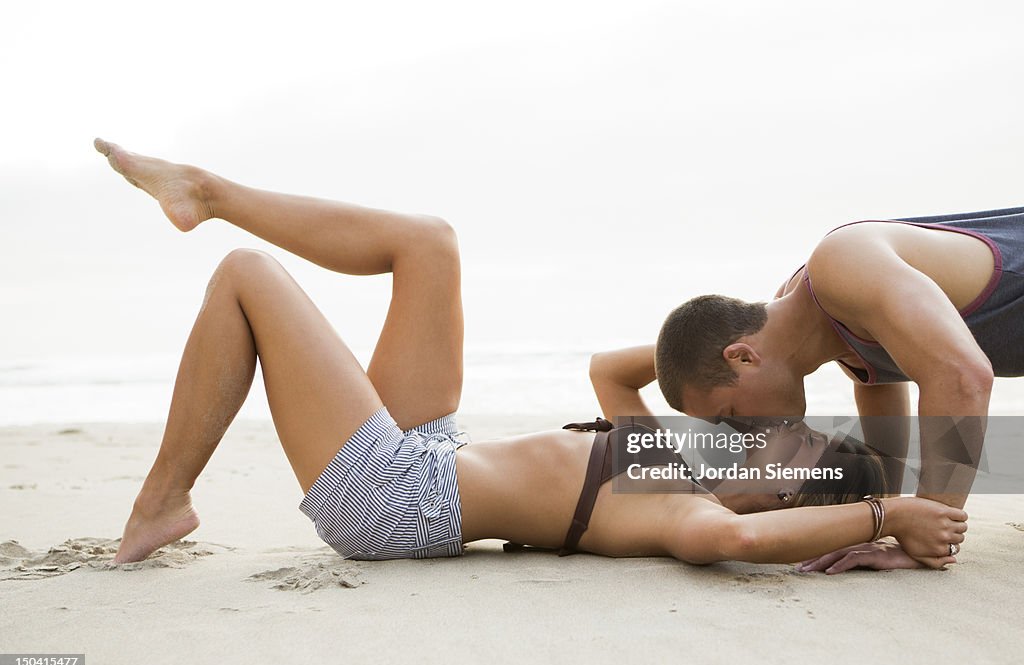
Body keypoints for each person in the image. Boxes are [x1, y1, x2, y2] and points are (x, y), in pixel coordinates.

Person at [93, 139, 966, 571]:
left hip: (393, 498)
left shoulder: (683, 514)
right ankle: (208, 192)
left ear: (786, 499)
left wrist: (884, 518)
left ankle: (163, 501)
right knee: (430, 242)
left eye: (779, 456)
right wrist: (781, 336)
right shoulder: (667, 457)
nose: (755, 441)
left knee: (248, 274)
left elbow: (735, 539)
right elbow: (610, 367)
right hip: (431, 452)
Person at [615, 207, 1023, 570]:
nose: (746, 434)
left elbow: (962, 377)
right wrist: (883, 513)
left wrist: (929, 530)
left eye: (732, 415)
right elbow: (880, 383)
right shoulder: (816, 316)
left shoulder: (842, 262)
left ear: (742, 357)